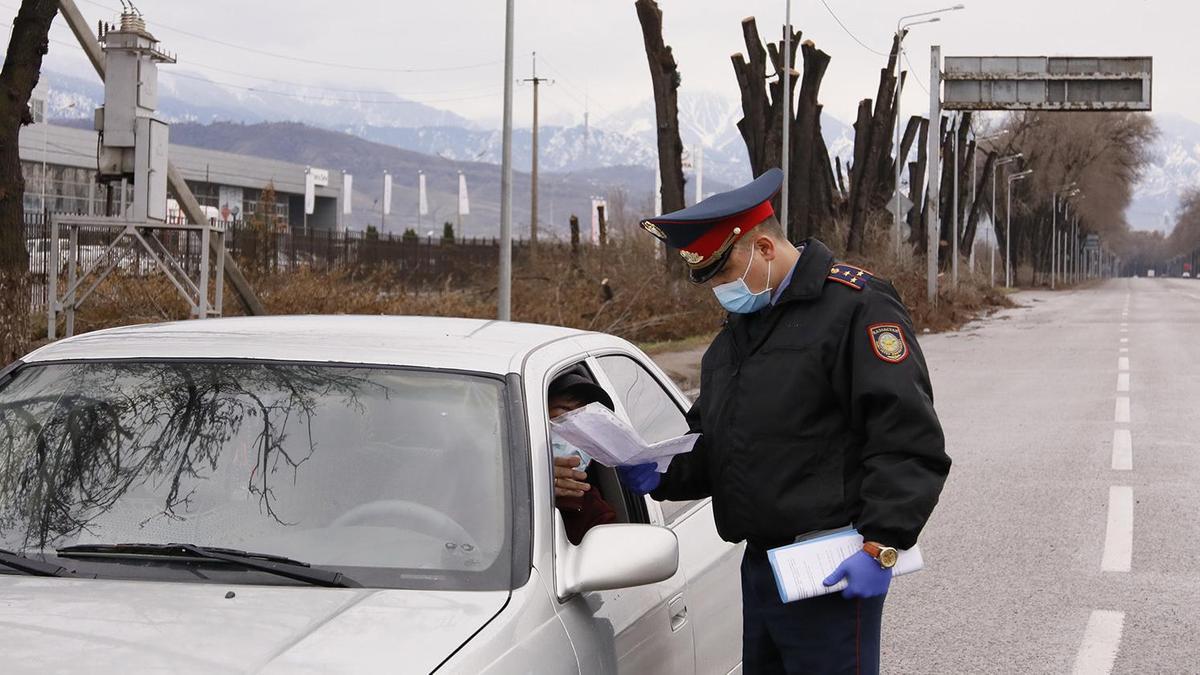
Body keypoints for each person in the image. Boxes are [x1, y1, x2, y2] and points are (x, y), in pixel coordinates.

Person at [620, 168, 951, 674]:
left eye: (725, 276)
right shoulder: (739, 334)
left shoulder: (855, 308)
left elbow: (906, 436)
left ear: (766, 250)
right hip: (762, 568)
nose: (721, 292)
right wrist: (661, 472)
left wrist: (883, 543)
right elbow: (723, 442)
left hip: (832, 567)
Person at [547, 369, 617, 545]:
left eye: (586, 421)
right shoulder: (496, 483)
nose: (577, 429)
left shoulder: (596, 515)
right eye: (564, 413)